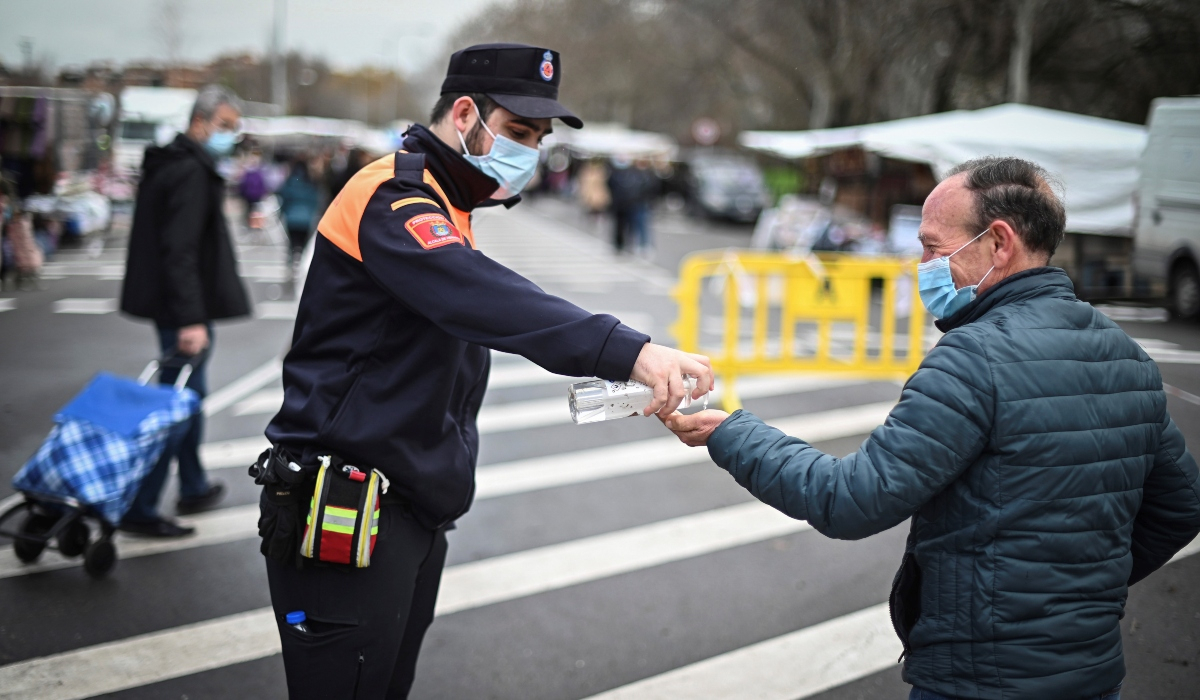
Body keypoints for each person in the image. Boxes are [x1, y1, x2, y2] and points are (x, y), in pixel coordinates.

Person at [255, 43, 713, 700]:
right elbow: (477, 295)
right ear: (465, 112)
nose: (530, 150)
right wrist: (631, 351)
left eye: (539, 137)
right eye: (519, 132)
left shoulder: (447, 197)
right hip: (349, 509)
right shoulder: (392, 194)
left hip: (406, 507)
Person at [661, 157, 1200, 700]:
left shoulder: (973, 358)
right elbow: (1181, 505)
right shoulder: (1125, 355)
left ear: (999, 243)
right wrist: (1081, 591)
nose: (921, 264)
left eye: (933, 247)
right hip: (1095, 675)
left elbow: (851, 500)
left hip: (978, 679)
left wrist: (731, 432)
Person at [119, 85, 250, 537]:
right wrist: (191, 318)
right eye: (227, 126)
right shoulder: (190, 171)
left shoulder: (172, 162)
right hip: (181, 308)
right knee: (177, 404)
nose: (231, 136)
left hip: (173, 303)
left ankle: (192, 484)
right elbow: (180, 251)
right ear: (201, 122)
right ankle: (140, 505)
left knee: (187, 399)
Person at [276, 155, 320, 268]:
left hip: (291, 218)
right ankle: (299, 263)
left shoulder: (290, 181)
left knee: (292, 243)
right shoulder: (311, 183)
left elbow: (284, 198)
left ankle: (293, 262)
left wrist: (282, 213)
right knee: (302, 244)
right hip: (306, 219)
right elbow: (314, 201)